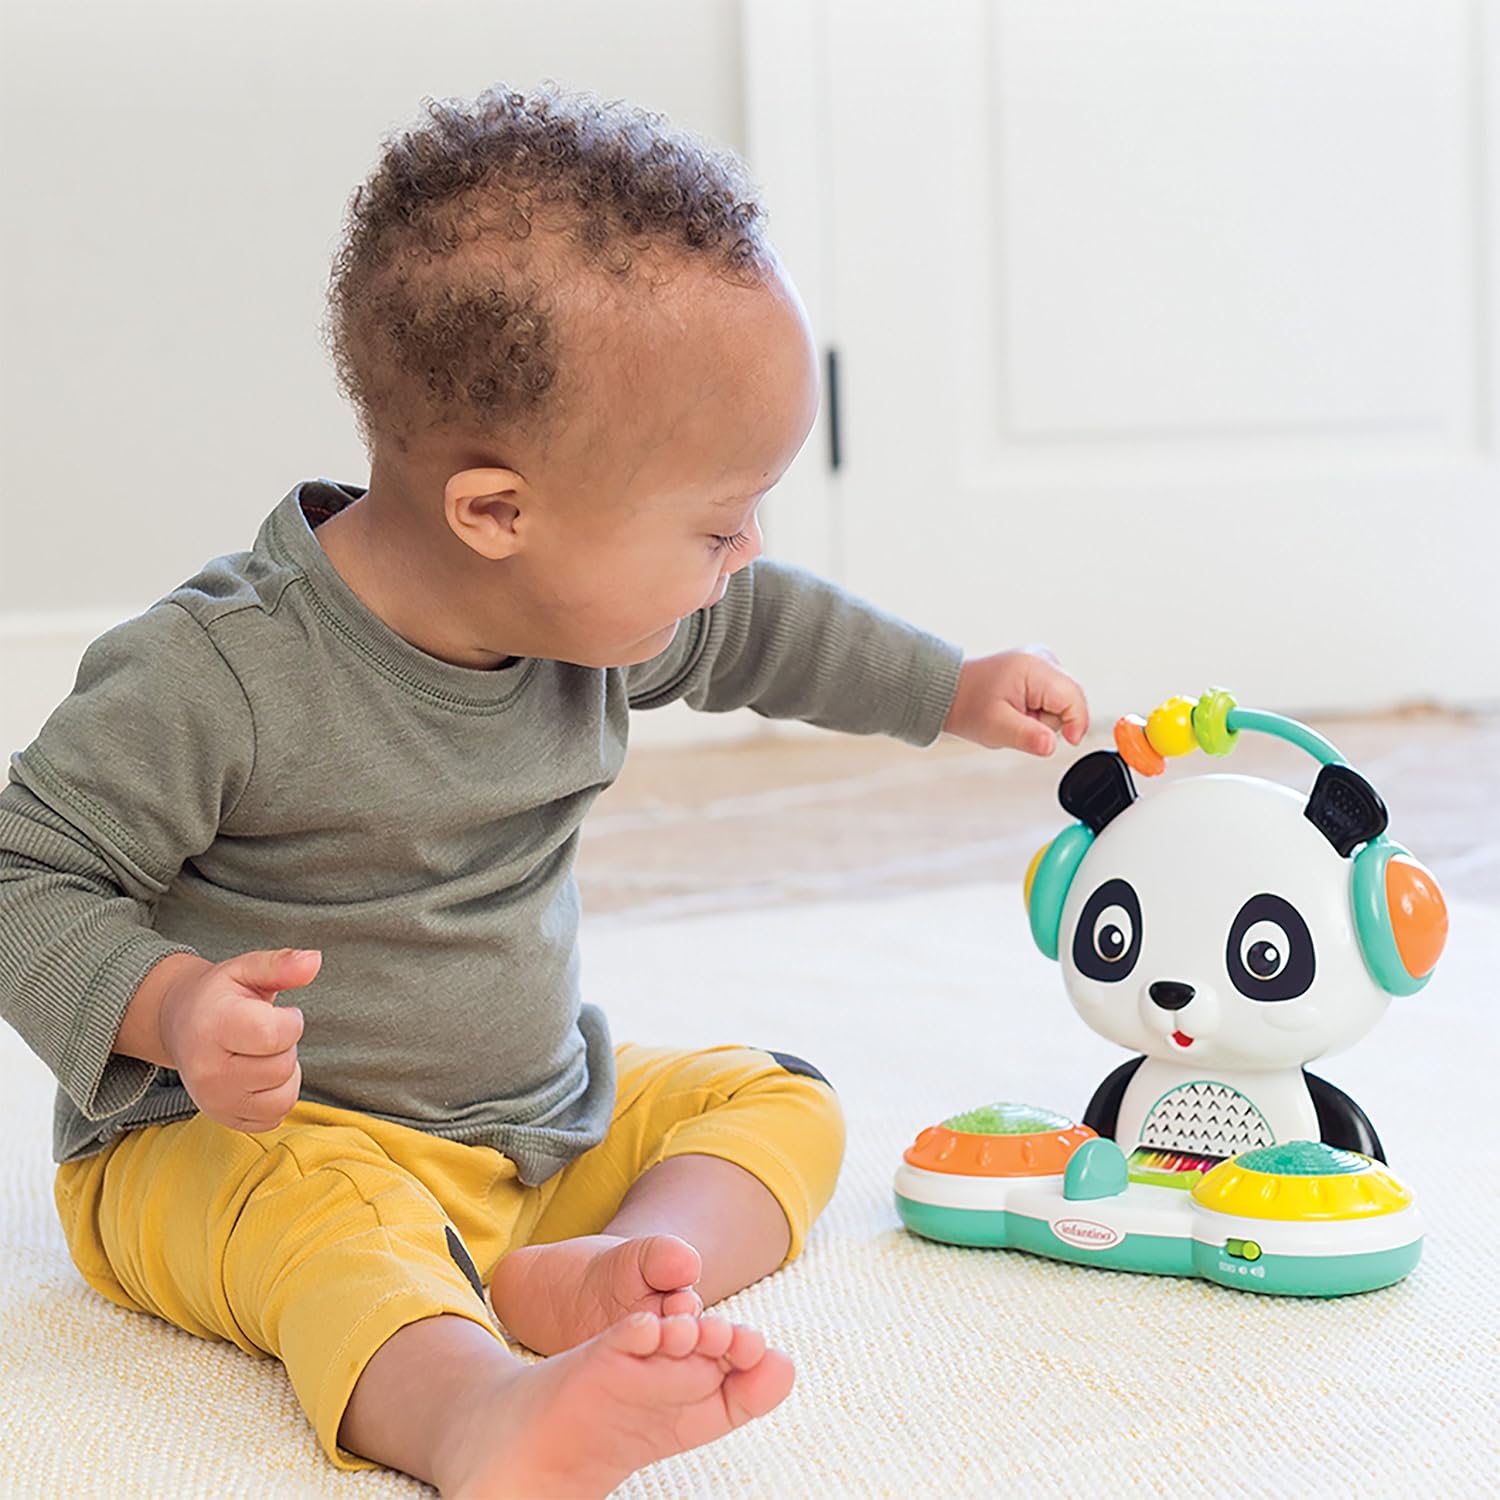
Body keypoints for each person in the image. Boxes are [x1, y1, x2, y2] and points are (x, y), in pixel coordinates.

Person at [0, 85, 1087, 1498]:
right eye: (717, 524)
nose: (747, 553)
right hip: (243, 1144)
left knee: (780, 1101)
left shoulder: (586, 613)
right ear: (496, 512)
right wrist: (176, 1008)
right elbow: (23, 872)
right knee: (337, 1237)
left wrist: (950, 687)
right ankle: (475, 1417)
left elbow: (769, 632)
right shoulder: (222, 672)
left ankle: (599, 1270)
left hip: (530, 1125)